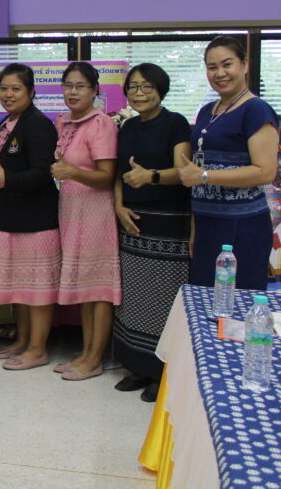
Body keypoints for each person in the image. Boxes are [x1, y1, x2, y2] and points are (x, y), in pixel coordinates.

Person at [112, 63, 191, 402]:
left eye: (147, 87)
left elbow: (184, 172)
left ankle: (164, 371)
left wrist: (151, 176)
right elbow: (117, 173)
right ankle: (138, 366)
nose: (139, 93)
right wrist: (118, 206)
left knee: (164, 300)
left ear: (161, 90)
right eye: (133, 87)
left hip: (169, 223)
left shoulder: (176, 123)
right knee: (135, 297)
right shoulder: (127, 126)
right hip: (132, 222)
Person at [178, 35, 278, 290]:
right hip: (207, 224)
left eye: (227, 64)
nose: (220, 73)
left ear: (244, 64)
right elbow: (197, 171)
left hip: (242, 227)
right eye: (212, 67)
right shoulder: (206, 111)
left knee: (238, 302)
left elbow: (265, 171)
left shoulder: (256, 109)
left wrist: (205, 177)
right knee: (204, 300)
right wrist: (195, 227)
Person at [0, 64, 61, 371]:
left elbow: (43, 173)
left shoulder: (38, 124)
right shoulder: (8, 122)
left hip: (35, 220)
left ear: (31, 92)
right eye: (4, 88)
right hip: (12, 217)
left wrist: (7, 181)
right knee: (21, 286)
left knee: (37, 289)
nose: (8, 94)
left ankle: (38, 349)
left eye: (16, 89)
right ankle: (22, 341)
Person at [51, 61, 119, 381]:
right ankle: (85, 353)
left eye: (81, 86)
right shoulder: (63, 122)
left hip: (96, 213)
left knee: (98, 288)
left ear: (95, 91)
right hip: (71, 211)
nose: (73, 92)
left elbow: (107, 177)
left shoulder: (101, 124)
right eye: (68, 85)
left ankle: (95, 359)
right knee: (84, 285)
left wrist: (72, 172)